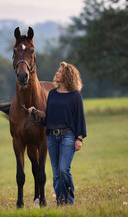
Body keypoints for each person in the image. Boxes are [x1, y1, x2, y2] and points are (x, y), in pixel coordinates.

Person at [28, 62, 87, 206]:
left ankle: (70, 201)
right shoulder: (52, 94)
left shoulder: (75, 95)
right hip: (52, 137)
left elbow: (80, 117)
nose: (57, 73)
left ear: (67, 76)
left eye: (60, 71)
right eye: (58, 70)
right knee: (56, 174)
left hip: (68, 136)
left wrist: (79, 138)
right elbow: (48, 115)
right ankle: (61, 203)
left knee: (63, 170)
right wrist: (36, 112)